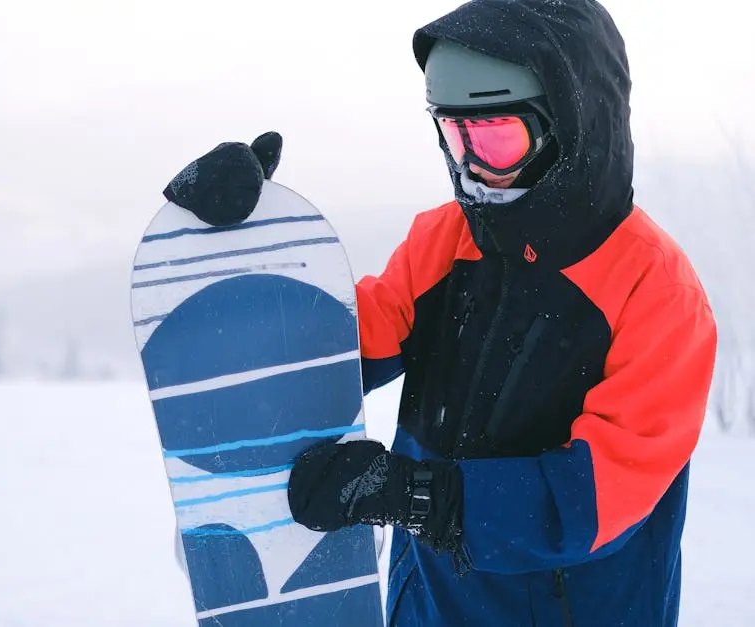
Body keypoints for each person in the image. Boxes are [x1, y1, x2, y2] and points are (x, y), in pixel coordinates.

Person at [160, 0, 718, 625]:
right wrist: (246, 245)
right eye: (456, 136)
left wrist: (415, 495)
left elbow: (591, 498)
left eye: (497, 138)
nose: (473, 168)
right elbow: (343, 346)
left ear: (574, 123)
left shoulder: (657, 292)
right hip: (426, 602)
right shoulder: (448, 240)